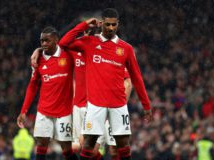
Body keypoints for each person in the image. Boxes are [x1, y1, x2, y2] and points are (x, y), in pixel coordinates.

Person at [58, 8, 153, 160]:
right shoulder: (89, 43)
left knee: (121, 144)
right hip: (95, 105)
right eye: (107, 24)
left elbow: (136, 78)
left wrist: (146, 105)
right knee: (88, 143)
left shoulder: (126, 48)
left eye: (113, 25)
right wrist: (83, 25)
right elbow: (63, 43)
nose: (110, 28)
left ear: (117, 25)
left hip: (118, 104)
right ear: (101, 24)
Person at [17, 27, 78, 160]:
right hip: (44, 111)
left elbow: (73, 39)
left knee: (67, 149)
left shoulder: (67, 54)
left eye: (47, 40)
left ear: (56, 40)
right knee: (41, 146)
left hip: (64, 112)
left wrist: (84, 25)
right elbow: (33, 86)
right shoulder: (37, 61)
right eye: (41, 41)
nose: (43, 43)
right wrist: (23, 111)